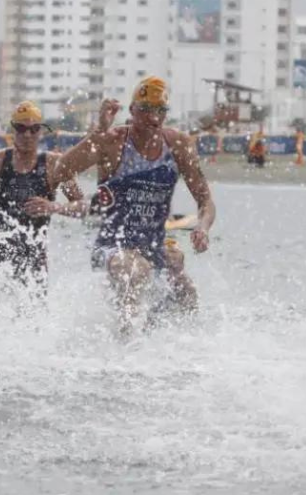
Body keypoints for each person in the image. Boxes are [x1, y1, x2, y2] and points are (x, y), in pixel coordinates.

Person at [50, 77, 215, 335]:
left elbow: (205, 201)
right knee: (136, 271)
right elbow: (61, 171)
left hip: (152, 244)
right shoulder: (113, 141)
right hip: (112, 245)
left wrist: (203, 228)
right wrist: (97, 133)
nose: (153, 117)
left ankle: (178, 343)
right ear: (132, 110)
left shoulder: (178, 144)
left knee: (186, 289)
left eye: (160, 110)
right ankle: (127, 346)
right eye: (146, 109)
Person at [0, 100, 85, 298]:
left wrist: (54, 207)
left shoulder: (55, 164)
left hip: (35, 260)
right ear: (12, 130)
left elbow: (82, 206)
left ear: (41, 132)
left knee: (33, 312)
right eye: (21, 128)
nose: (27, 135)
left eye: (34, 129)